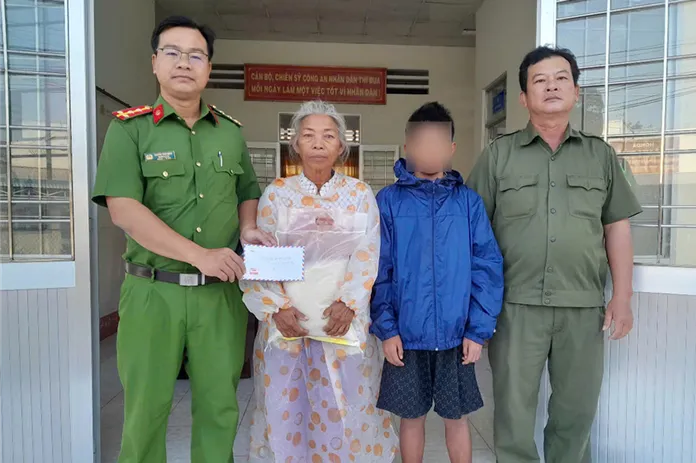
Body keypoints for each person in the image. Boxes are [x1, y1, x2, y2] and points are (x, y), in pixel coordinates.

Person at [91, 16, 274, 463]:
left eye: (196, 55)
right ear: (154, 62)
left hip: (218, 297)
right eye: (172, 53)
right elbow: (124, 210)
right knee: (146, 411)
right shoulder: (130, 130)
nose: (184, 63)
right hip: (153, 292)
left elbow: (247, 191)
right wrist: (199, 255)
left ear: (208, 68)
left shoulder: (230, 132)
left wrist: (248, 228)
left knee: (219, 408)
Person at [466, 46, 643, 463]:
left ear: (576, 92)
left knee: (575, 413)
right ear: (524, 97)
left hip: (582, 306)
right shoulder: (498, 155)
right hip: (515, 306)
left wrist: (622, 296)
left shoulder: (601, 155)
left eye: (561, 78)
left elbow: (616, 227)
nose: (551, 86)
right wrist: (475, 304)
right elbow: (473, 233)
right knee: (513, 416)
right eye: (540, 80)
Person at [240, 100, 398, 462]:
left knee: (348, 406)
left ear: (341, 146)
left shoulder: (359, 194)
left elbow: (368, 253)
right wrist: (276, 308)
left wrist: (349, 303)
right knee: (286, 406)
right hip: (287, 326)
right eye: (308, 135)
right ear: (295, 143)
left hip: (343, 323)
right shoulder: (277, 193)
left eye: (328, 135)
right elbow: (261, 256)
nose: (318, 143)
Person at [371, 102, 505, 463]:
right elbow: (378, 270)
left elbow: (487, 266)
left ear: (451, 148)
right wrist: (387, 329)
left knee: (456, 418)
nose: (429, 150)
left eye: (437, 143)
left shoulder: (468, 204)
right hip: (406, 335)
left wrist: (477, 330)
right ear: (407, 147)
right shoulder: (388, 202)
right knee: (410, 417)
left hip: (456, 335)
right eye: (421, 142)